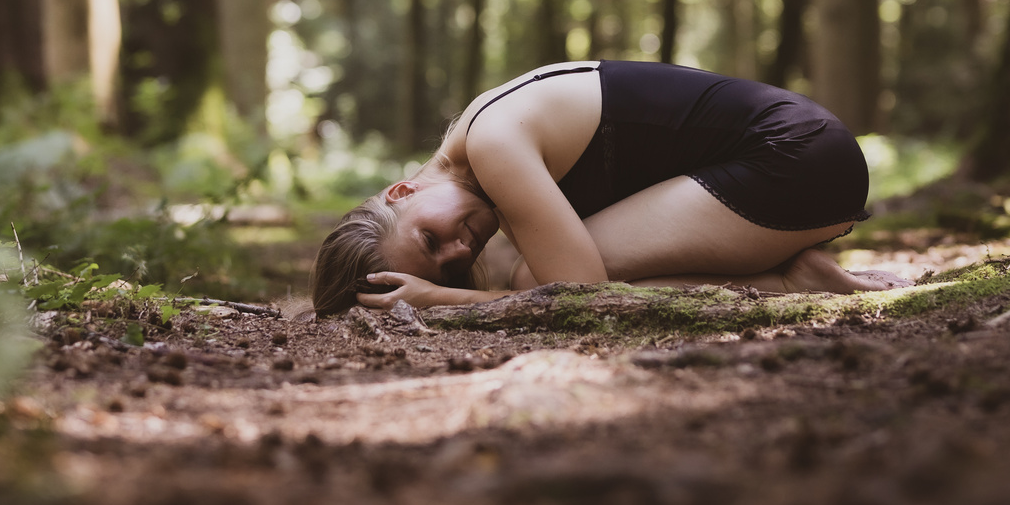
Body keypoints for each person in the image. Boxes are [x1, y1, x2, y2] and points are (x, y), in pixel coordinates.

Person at [311, 60, 910, 316]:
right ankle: (789, 278)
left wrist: (445, 301)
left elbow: (581, 295)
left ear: (400, 192)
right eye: (448, 271)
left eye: (431, 240)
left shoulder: (492, 143)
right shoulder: (480, 136)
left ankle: (781, 283)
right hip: (807, 157)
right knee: (533, 276)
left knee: (533, 283)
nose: (460, 254)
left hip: (793, 159)